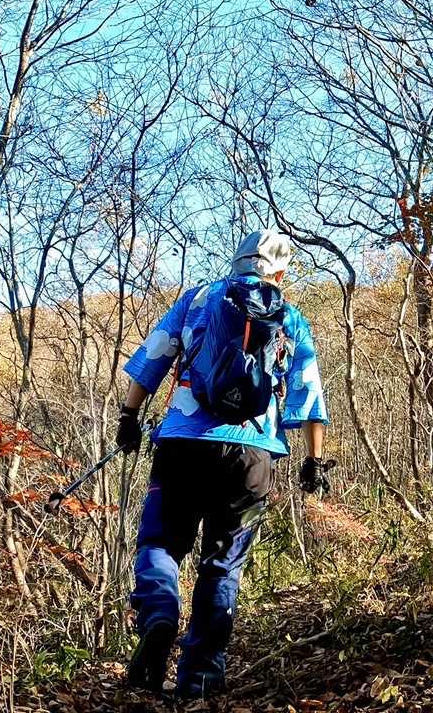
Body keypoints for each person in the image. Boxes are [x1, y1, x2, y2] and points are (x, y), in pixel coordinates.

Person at [117, 230, 333, 699]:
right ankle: (198, 679)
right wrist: (314, 462)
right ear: (280, 271)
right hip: (252, 456)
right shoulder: (290, 316)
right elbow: (308, 394)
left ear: (237, 261)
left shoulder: (197, 299)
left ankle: (158, 615)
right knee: (222, 565)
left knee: (160, 542)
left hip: (182, 445)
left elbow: (154, 355)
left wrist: (129, 417)